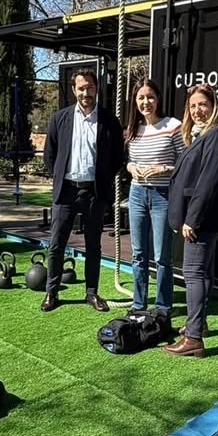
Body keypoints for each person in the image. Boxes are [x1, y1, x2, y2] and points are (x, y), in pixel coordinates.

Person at [41, 68, 124, 312]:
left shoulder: (110, 121)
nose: (85, 92)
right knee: (56, 244)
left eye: (89, 87)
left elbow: (118, 158)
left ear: (97, 89)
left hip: (94, 194)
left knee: (93, 246)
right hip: (65, 192)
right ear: (74, 90)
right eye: (81, 88)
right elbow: (50, 155)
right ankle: (51, 293)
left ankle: (91, 293)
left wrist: (103, 181)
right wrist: (59, 177)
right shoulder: (60, 118)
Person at [163, 83, 218, 357]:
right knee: (202, 273)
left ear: (213, 105)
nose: (197, 111)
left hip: (202, 219)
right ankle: (198, 324)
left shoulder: (217, 135)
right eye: (192, 106)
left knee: (193, 275)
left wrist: (191, 219)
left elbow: (208, 181)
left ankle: (193, 339)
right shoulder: (203, 135)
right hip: (204, 218)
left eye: (202, 104)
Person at [125, 78, 184, 314]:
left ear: (158, 99)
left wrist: (164, 169)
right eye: (140, 97)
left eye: (150, 96)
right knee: (138, 254)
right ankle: (139, 304)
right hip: (137, 193)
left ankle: (162, 306)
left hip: (162, 195)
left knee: (162, 257)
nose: (145, 102)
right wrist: (131, 168)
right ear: (135, 101)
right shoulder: (133, 129)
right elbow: (128, 161)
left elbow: (185, 161)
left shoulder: (173, 125)